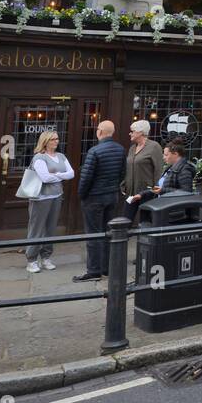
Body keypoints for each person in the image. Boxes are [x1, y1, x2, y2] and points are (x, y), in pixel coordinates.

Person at [74, 119, 124, 282]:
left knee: (93, 233)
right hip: (112, 195)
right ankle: (107, 268)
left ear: (100, 132)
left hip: (94, 197)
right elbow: (122, 173)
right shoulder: (120, 149)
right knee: (109, 232)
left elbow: (86, 177)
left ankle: (94, 270)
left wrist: (82, 194)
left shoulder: (94, 151)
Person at [25, 130, 74, 273]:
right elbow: (44, 178)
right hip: (41, 198)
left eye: (57, 139)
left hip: (57, 195)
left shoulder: (61, 156)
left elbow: (71, 173)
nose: (56, 141)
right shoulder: (39, 157)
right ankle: (31, 259)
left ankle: (46, 257)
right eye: (52, 139)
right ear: (45, 141)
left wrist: (56, 174)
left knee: (51, 228)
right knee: (37, 228)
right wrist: (61, 176)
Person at [124, 120, 163, 202]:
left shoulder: (154, 146)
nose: (130, 133)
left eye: (132, 131)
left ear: (140, 132)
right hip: (130, 193)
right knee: (126, 215)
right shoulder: (132, 148)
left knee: (145, 215)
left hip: (146, 193)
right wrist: (124, 184)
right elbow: (128, 168)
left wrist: (154, 189)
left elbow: (158, 169)